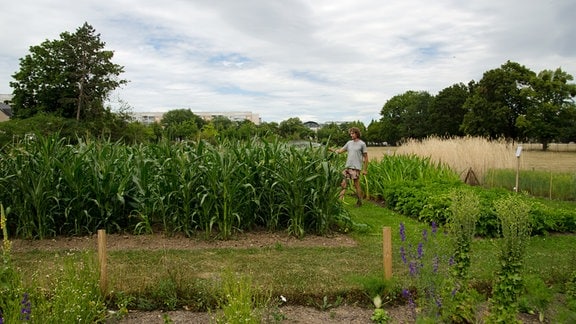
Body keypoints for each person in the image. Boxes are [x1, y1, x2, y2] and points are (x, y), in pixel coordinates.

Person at [330, 127, 368, 206]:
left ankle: (359, 201)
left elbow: (366, 157)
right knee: (343, 183)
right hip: (348, 167)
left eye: (353, 133)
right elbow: (340, 151)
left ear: (357, 134)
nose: (351, 135)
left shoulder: (362, 144)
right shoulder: (349, 143)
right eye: (350, 133)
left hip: (356, 167)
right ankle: (339, 201)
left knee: (356, 185)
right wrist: (331, 149)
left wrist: (365, 169)